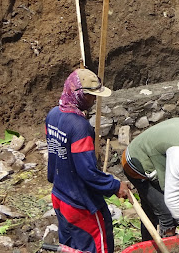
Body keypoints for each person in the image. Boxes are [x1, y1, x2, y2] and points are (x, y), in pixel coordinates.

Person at [46, 69, 131, 253]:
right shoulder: (79, 126)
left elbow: (53, 157)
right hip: (80, 204)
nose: (94, 100)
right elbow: (88, 172)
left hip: (60, 196)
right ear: (79, 95)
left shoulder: (53, 115)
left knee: (71, 247)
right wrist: (115, 186)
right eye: (90, 96)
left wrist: (55, 181)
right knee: (97, 246)